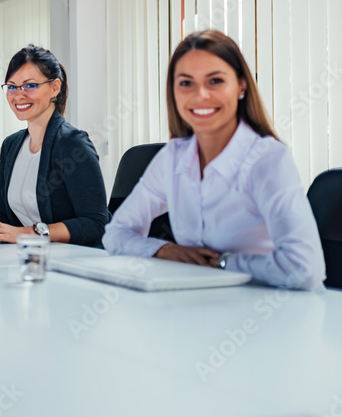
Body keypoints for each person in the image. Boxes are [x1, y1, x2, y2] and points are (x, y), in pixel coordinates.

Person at [103, 30, 325, 290]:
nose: (201, 95)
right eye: (186, 83)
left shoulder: (266, 159)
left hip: (270, 312)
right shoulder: (173, 158)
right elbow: (116, 234)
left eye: (215, 81)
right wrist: (164, 250)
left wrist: (223, 263)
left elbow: (304, 269)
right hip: (199, 303)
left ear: (241, 85)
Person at [0, 45, 109, 246]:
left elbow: (96, 223)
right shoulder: (11, 145)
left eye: (30, 85)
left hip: (75, 260)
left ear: (55, 87)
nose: (18, 95)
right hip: (30, 258)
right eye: (11, 86)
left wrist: (28, 233)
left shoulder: (72, 144)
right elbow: (2, 212)